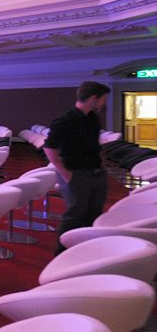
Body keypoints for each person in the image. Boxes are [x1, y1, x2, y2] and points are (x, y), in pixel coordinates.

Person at [43, 81, 111, 254]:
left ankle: (84, 249)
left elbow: (95, 144)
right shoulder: (65, 120)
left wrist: (101, 164)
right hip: (75, 172)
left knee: (94, 212)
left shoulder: (92, 118)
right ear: (93, 99)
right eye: (103, 99)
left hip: (96, 172)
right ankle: (62, 253)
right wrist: (65, 173)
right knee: (75, 213)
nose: (104, 103)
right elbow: (49, 147)